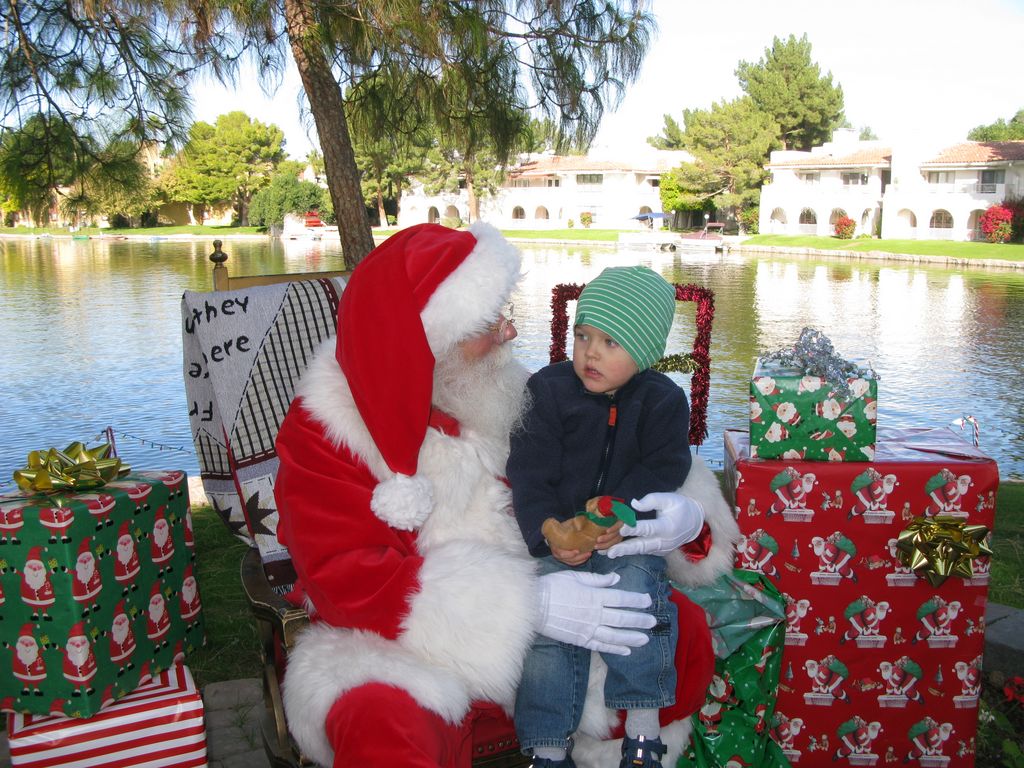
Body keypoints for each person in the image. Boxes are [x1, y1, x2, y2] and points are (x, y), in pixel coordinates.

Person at [273, 222, 738, 768]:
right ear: (427, 339)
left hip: (561, 597)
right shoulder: (327, 429)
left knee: (678, 632)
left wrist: (686, 521)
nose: (511, 332)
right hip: (408, 645)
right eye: (488, 322)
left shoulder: (514, 393)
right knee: (383, 723)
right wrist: (529, 607)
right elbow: (345, 577)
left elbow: (614, 471)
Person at [507, 267, 702, 768]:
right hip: (562, 536)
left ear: (645, 351)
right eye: (583, 335)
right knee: (549, 630)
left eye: (611, 342)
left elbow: (666, 465)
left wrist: (625, 512)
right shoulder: (548, 390)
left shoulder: (663, 399)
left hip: (625, 536)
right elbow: (529, 469)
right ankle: (547, 748)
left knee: (643, 603)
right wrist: (548, 529)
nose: (590, 352)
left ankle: (643, 730)